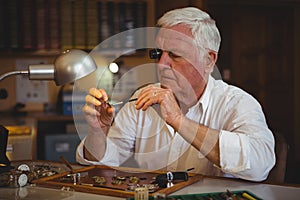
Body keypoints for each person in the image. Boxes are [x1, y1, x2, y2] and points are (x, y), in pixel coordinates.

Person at [76, 7, 275, 182]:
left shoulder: (237, 103)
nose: (161, 65)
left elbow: (261, 165)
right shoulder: (143, 98)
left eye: (175, 55)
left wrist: (180, 121)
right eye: (158, 54)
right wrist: (98, 133)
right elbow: (103, 164)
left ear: (208, 60)